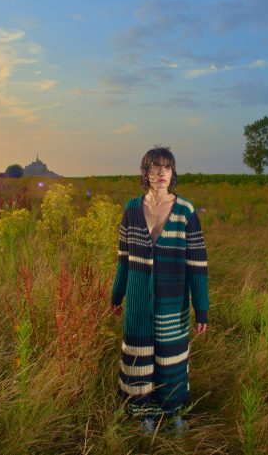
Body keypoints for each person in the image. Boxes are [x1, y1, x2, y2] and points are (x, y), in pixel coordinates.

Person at [111, 146, 209, 435]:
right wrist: (116, 296)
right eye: (155, 167)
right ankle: (144, 414)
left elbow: (198, 264)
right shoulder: (131, 209)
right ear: (146, 172)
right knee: (139, 361)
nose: (161, 173)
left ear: (172, 172)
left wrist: (201, 308)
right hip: (138, 303)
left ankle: (173, 413)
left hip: (173, 302)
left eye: (167, 167)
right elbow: (124, 259)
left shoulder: (185, 211)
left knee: (171, 359)